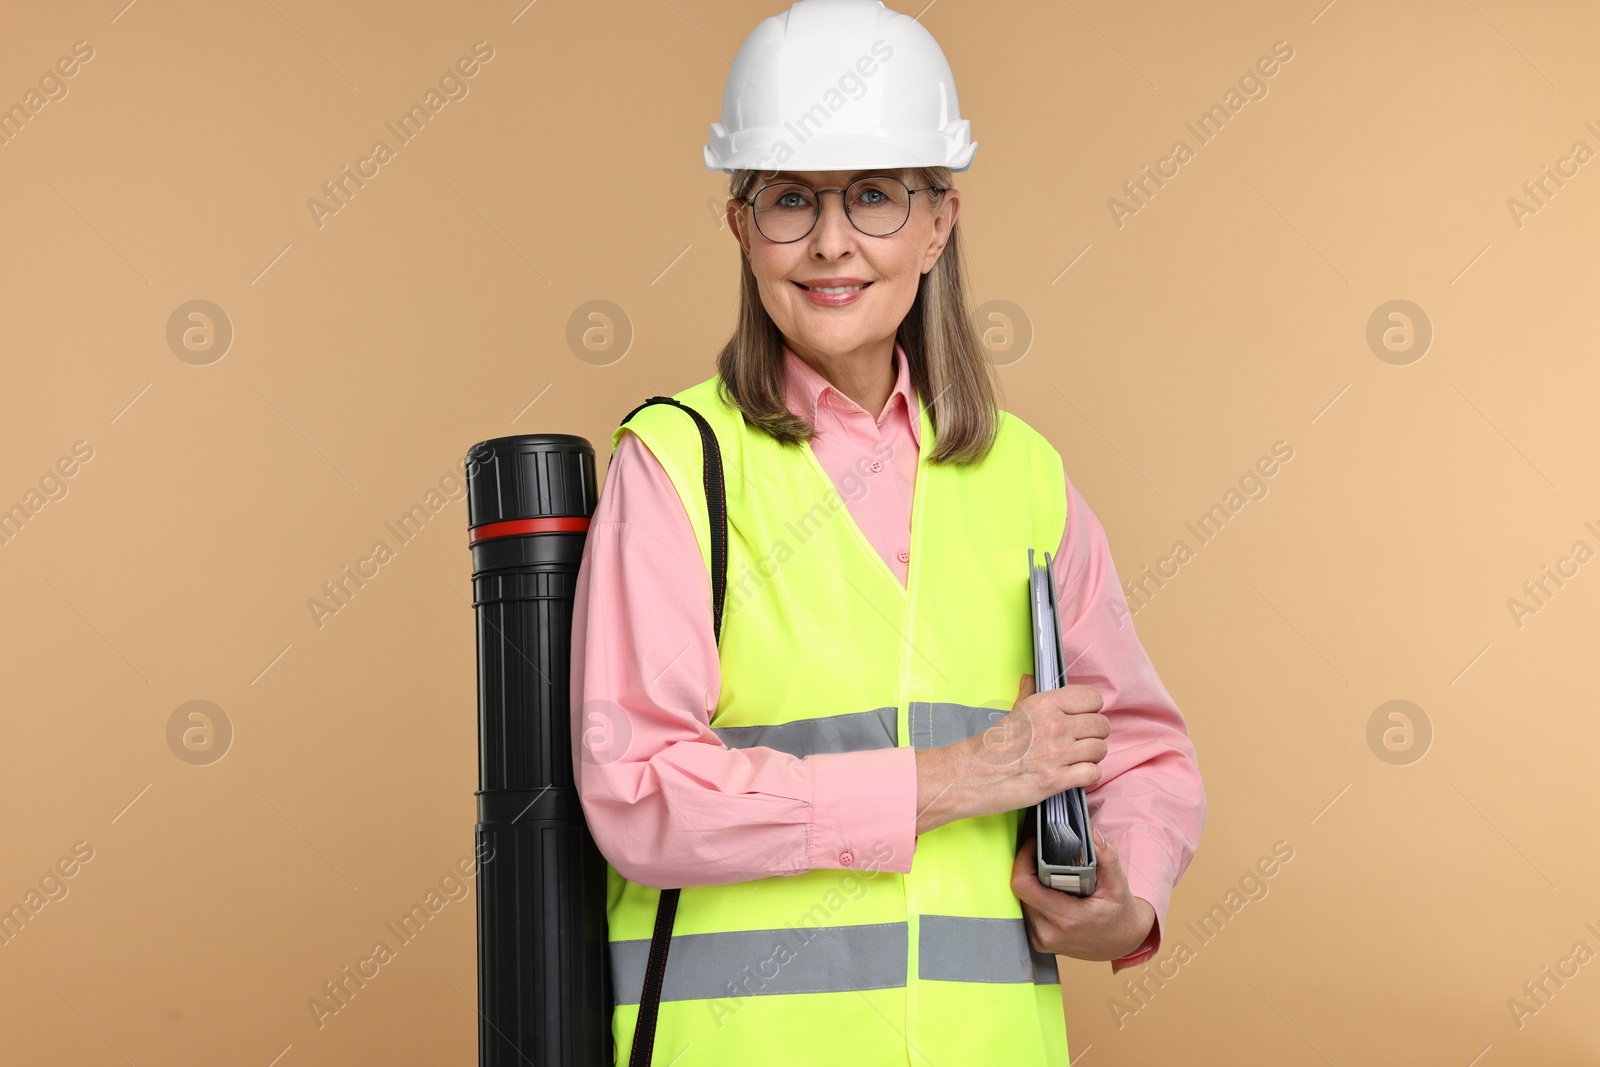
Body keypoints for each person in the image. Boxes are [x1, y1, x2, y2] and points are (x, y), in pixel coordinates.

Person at [570, 1, 1205, 1063]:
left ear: (937, 220)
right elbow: (638, 791)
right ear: (739, 225)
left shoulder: (1024, 477)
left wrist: (1127, 900)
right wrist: (951, 778)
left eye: (871, 196)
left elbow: (1140, 742)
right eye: (787, 199)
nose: (829, 242)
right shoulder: (677, 465)